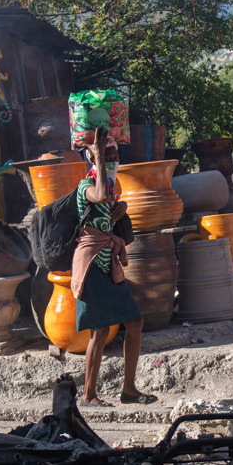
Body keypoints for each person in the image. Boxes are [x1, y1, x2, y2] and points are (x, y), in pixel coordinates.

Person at [71, 126, 156, 407]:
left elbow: (107, 202)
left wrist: (122, 207)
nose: (110, 160)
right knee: (101, 330)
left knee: (135, 322)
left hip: (109, 266)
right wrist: (97, 157)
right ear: (92, 157)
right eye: (105, 156)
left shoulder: (108, 187)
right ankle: (88, 395)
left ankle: (129, 390)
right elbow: (98, 197)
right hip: (92, 264)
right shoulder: (87, 186)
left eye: (113, 154)